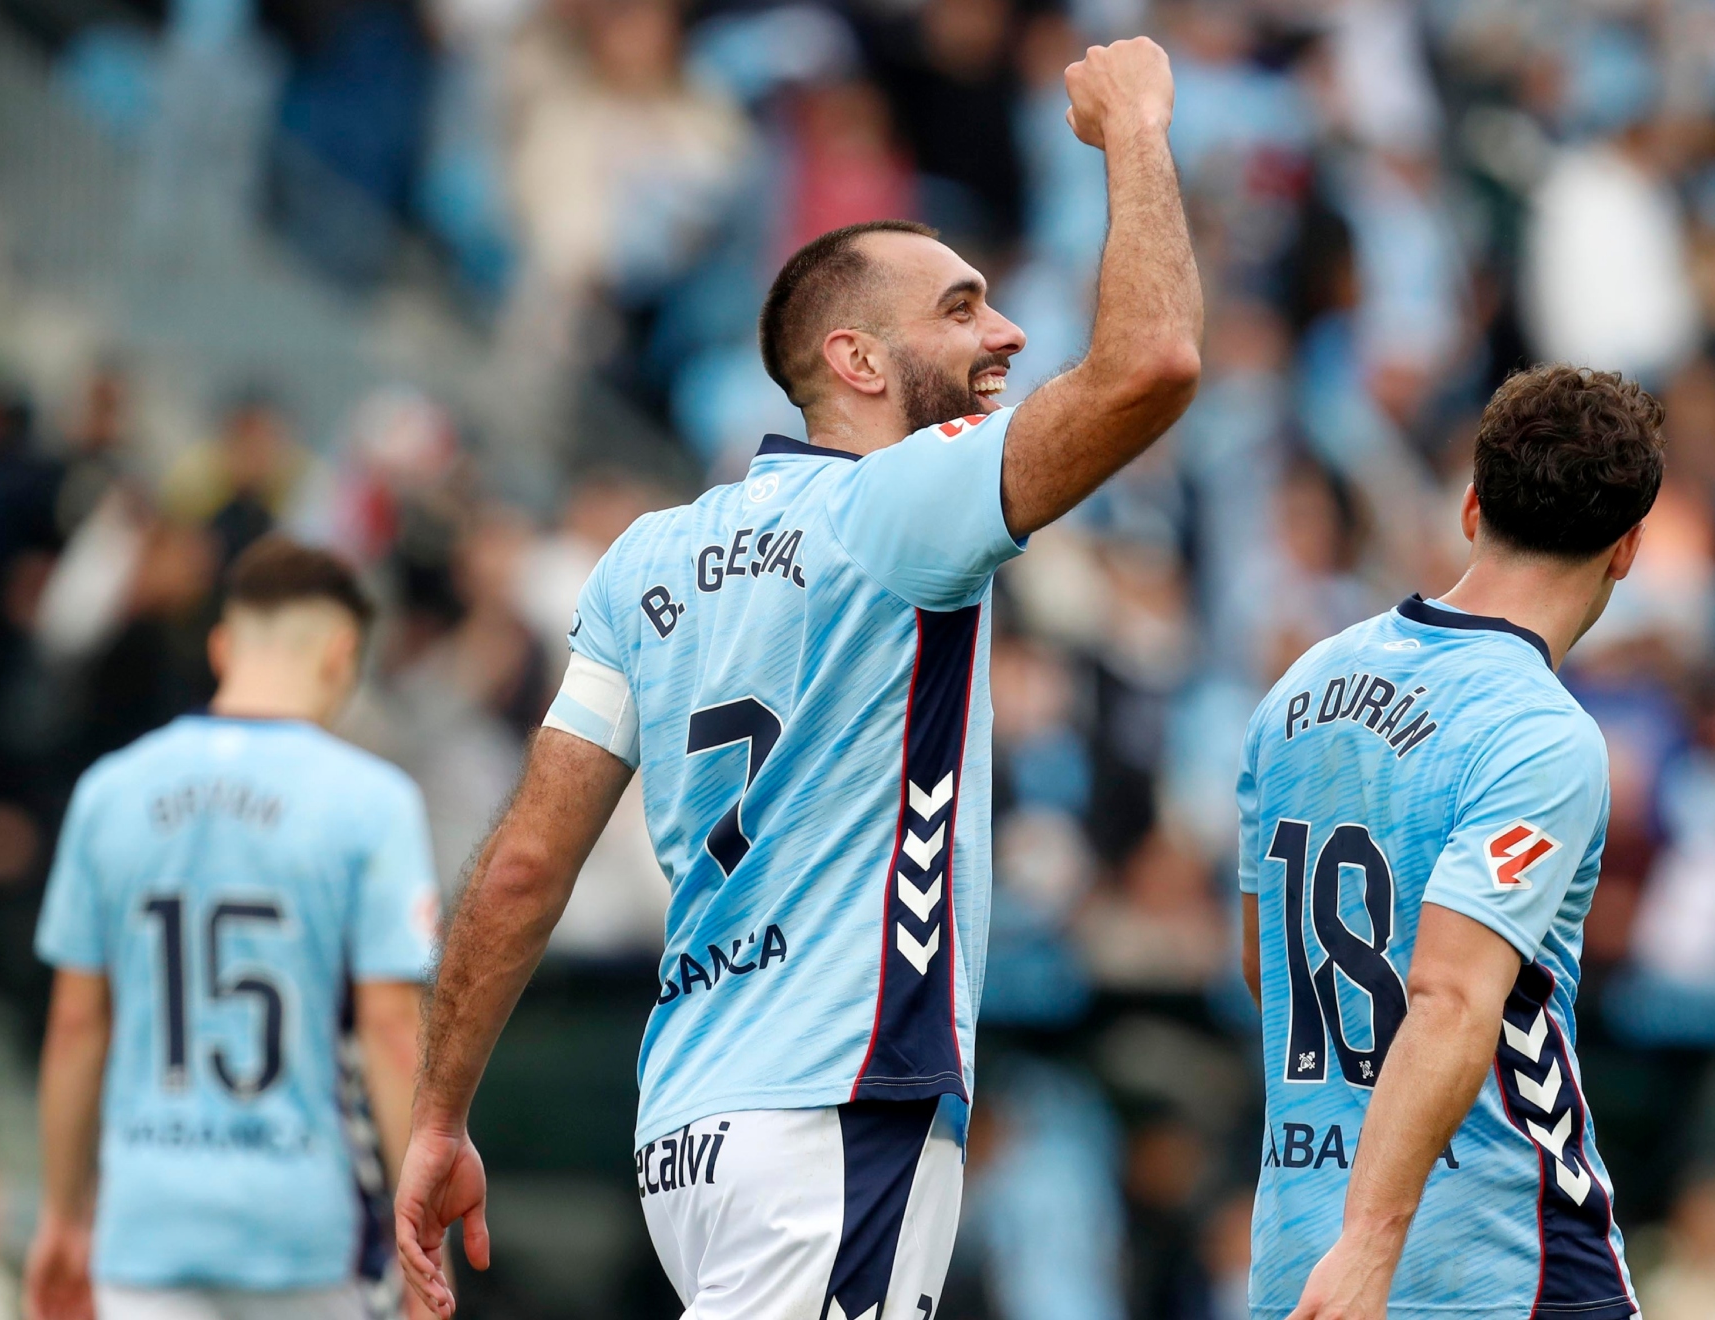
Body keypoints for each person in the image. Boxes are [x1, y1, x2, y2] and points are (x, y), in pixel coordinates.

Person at [394, 35, 1202, 1320]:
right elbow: (1152, 363)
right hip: (839, 1103)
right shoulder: (903, 505)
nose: (1006, 331)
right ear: (857, 364)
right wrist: (1142, 129)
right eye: (960, 307)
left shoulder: (647, 562)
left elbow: (520, 867)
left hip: (692, 1132)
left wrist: (440, 1114)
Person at [1236, 365, 1664, 1320]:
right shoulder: (1540, 733)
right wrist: (1371, 1243)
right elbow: (1450, 994)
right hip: (1498, 1259)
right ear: (1628, 549)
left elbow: (1267, 970)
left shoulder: (1300, 688)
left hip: (1297, 1251)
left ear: (1472, 506)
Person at [25, 536, 441, 1320]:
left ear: (222, 645)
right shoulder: (372, 802)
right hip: (303, 1227)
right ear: (342, 653)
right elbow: (393, 1034)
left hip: (147, 1226)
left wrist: (62, 1214)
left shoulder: (108, 792)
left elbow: (77, 1022)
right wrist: (422, 1240)